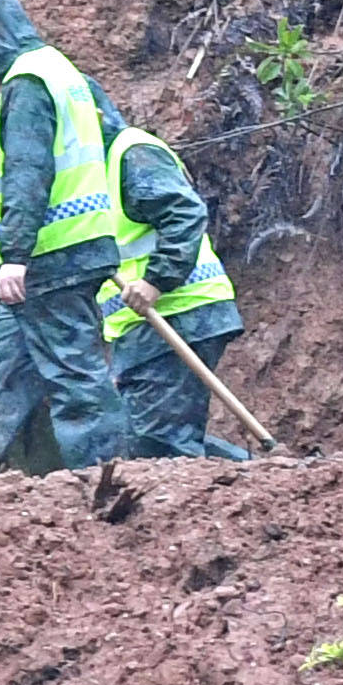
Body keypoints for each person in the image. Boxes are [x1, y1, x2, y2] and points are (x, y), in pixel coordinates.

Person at [0, 0, 132, 475]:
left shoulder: (28, 84)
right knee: (0, 371)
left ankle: (109, 476)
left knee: (75, 377)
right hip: (68, 253)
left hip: (53, 259)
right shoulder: (62, 73)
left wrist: (15, 257)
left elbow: (28, 175)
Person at [96, 90, 257, 462]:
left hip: (181, 312)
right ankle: (255, 477)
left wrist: (156, 280)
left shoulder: (131, 153)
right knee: (149, 437)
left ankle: (261, 485)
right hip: (144, 327)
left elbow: (184, 214)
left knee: (160, 445)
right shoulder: (92, 170)